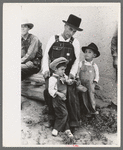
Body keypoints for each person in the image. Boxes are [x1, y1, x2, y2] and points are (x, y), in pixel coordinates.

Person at [42, 14, 83, 130]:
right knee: (48, 91)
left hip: (66, 73)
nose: (71, 33)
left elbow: (76, 61)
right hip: (53, 72)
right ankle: (52, 117)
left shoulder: (75, 42)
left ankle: (73, 122)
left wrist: (72, 75)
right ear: (65, 26)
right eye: (70, 29)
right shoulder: (53, 38)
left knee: (71, 92)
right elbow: (45, 56)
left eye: (74, 31)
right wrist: (45, 70)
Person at [48, 57, 73, 137]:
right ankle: (56, 129)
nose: (63, 71)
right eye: (62, 69)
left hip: (63, 99)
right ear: (55, 69)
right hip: (57, 100)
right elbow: (51, 90)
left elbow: (67, 81)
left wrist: (69, 81)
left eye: (64, 69)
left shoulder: (63, 76)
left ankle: (67, 129)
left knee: (65, 113)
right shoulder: (53, 79)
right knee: (63, 113)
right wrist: (58, 93)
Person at [78, 43, 100, 117]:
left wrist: (95, 82)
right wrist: (77, 79)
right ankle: (84, 110)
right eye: (86, 52)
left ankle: (92, 110)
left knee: (90, 97)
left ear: (94, 55)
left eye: (89, 52)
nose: (86, 53)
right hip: (82, 84)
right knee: (82, 96)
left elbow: (97, 75)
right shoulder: (81, 63)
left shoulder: (94, 65)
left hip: (90, 84)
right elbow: (77, 72)